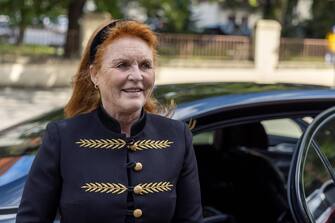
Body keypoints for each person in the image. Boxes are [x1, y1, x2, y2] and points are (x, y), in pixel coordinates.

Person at [16, 19, 203, 223]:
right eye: (122, 65)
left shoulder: (177, 137)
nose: (137, 75)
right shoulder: (62, 137)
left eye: (145, 65)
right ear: (95, 74)